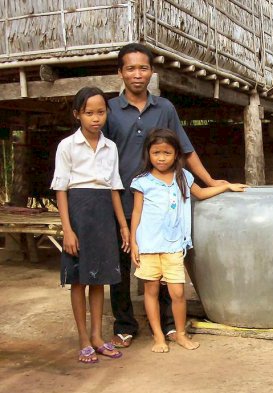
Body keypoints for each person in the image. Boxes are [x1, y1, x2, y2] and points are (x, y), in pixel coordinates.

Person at [104, 43, 228, 348]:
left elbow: (185, 148)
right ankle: (125, 325)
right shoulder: (109, 111)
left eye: (143, 68)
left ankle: (170, 326)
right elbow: (100, 156)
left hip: (160, 207)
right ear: (120, 72)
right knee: (121, 266)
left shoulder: (165, 108)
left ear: (151, 71)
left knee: (162, 266)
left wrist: (211, 180)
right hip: (122, 200)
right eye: (130, 68)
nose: (137, 74)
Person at [130, 128, 247, 352]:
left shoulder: (183, 176)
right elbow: (136, 212)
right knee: (151, 291)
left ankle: (180, 334)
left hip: (174, 245)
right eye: (156, 153)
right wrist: (134, 243)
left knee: (178, 293)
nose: (161, 157)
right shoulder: (142, 181)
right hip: (148, 246)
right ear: (148, 154)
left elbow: (201, 194)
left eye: (167, 152)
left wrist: (226, 186)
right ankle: (158, 337)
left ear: (176, 154)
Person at [52, 87, 129, 363]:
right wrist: (68, 229)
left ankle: (98, 336)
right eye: (89, 113)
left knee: (99, 279)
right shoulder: (67, 146)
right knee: (79, 279)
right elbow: (61, 190)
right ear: (77, 115)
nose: (95, 118)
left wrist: (122, 225)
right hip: (78, 212)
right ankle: (83, 338)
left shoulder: (111, 148)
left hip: (104, 214)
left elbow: (114, 188)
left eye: (100, 112)